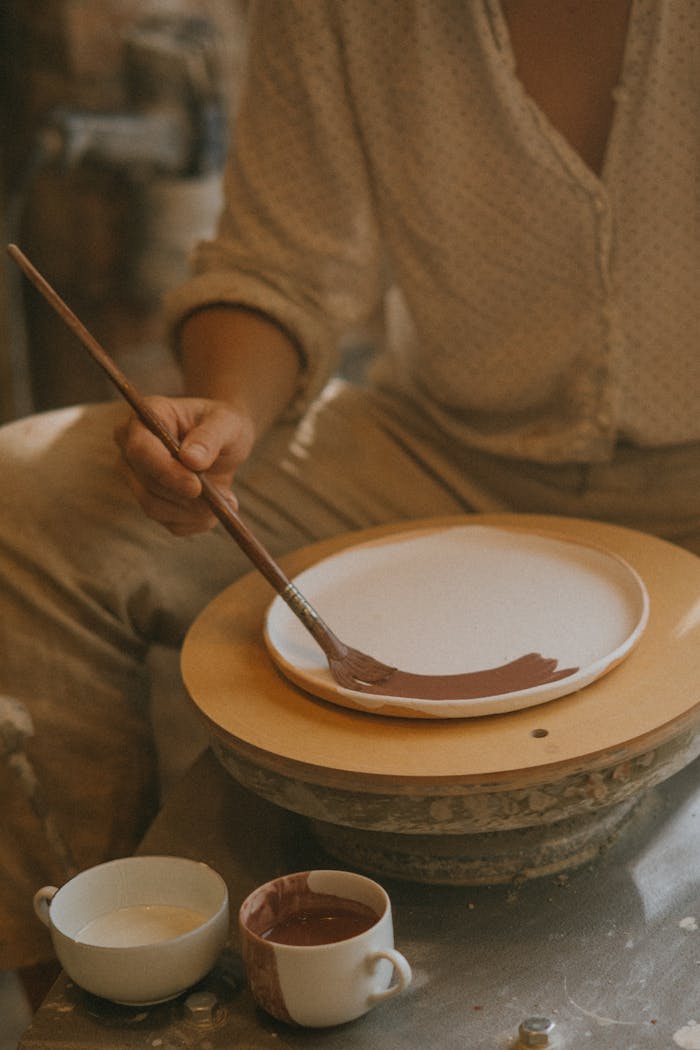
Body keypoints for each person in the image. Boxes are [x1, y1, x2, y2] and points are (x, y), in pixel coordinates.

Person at [1, 0, 699, 992]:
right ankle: (85, 980)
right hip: (445, 449)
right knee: (32, 498)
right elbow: (277, 263)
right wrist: (223, 415)